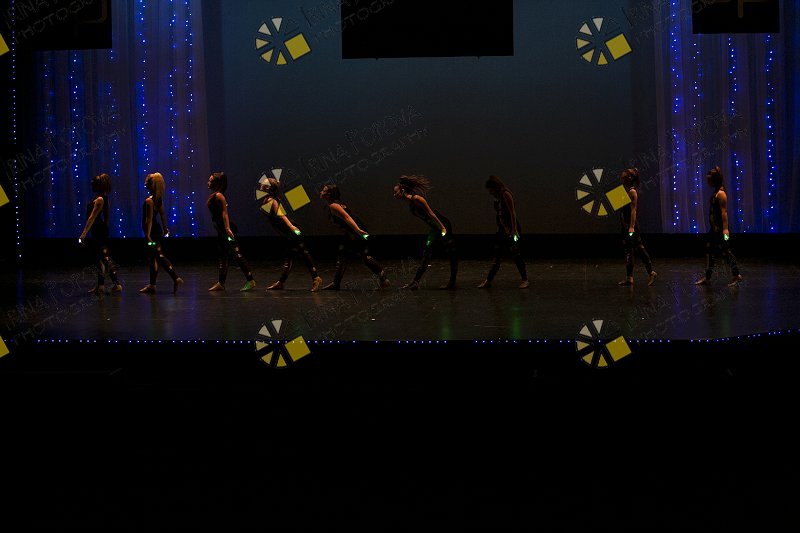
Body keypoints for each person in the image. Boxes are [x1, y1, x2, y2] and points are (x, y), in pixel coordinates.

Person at [319, 184, 389, 290]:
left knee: (363, 256)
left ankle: (383, 277)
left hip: (355, 231)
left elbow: (347, 217)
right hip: (351, 232)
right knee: (343, 254)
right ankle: (336, 283)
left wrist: (357, 230)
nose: (321, 192)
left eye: (323, 191)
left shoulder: (334, 206)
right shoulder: (336, 204)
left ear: (328, 195)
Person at [393, 175, 457, 290]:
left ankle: (452, 282)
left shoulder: (417, 199)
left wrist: (442, 228)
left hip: (442, 224)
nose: (394, 195)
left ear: (402, 190)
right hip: (434, 228)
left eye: (395, 192)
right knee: (426, 252)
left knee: (451, 252)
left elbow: (431, 214)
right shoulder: (411, 204)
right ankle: (415, 282)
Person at [258, 177, 323, 292]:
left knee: (303, 253)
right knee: (289, 256)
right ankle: (281, 282)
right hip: (285, 232)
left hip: (290, 231)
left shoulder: (272, 201)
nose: (261, 183)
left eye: (264, 183)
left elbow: (281, 215)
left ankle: (316, 278)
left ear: (268, 188)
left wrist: (291, 227)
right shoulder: (268, 199)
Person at [206, 172, 256, 292]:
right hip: (220, 231)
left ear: (216, 183)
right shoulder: (215, 195)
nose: (208, 182)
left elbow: (225, 213)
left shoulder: (219, 196)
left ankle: (250, 280)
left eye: (210, 181)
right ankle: (221, 283)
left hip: (226, 230)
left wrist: (227, 229)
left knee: (236, 255)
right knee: (223, 256)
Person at [477, 175, 529, 289]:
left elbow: (512, 212)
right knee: (497, 256)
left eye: (490, 190)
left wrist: (514, 230)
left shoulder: (506, 194)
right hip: (502, 230)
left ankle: (525, 280)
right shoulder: (498, 197)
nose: (489, 192)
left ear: (494, 187)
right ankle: (488, 281)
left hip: (511, 229)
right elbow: (499, 214)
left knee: (516, 254)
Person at [695, 166, 743, 287]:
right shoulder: (716, 193)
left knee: (726, 251)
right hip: (714, 230)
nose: (708, 182)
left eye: (709, 180)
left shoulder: (721, 194)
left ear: (715, 180)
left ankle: (736, 275)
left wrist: (725, 230)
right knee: (709, 250)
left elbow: (724, 212)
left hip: (721, 231)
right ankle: (707, 277)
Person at [138, 173, 183, 294]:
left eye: (148, 182)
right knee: (154, 258)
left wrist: (147, 235)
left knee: (159, 255)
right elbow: (162, 214)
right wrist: (165, 228)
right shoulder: (158, 199)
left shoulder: (149, 201)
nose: (145, 183)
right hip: (156, 230)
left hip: (152, 232)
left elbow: (148, 220)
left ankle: (175, 278)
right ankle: (152, 285)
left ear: (153, 185)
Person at [78, 173, 122, 295]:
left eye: (93, 184)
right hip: (99, 230)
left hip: (98, 230)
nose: (91, 186)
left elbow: (92, 217)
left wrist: (84, 233)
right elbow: (106, 216)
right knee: (100, 258)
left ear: (98, 186)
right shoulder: (102, 198)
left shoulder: (100, 199)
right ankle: (101, 285)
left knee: (104, 257)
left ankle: (116, 284)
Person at [616, 168, 657, 286]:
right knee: (628, 251)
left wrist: (631, 227)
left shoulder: (632, 192)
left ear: (630, 178)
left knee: (639, 248)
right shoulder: (625, 190)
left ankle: (651, 272)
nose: (622, 175)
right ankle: (629, 277)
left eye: (625, 175)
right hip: (625, 225)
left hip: (631, 226)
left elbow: (633, 210)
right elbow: (621, 208)